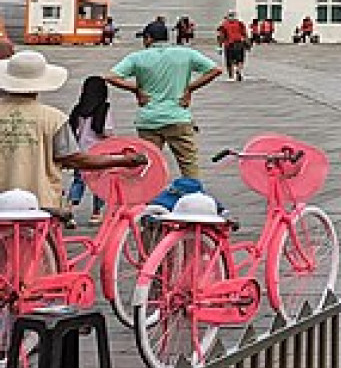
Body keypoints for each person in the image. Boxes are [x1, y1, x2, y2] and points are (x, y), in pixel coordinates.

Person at [1, 53, 143, 214]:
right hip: (40, 203)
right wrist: (121, 160)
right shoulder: (53, 118)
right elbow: (74, 159)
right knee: (42, 239)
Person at [105, 21, 221, 177]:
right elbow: (215, 70)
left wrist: (135, 89)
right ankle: (193, 196)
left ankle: (148, 196)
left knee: (148, 165)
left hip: (149, 119)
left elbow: (111, 76)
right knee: (189, 165)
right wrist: (189, 89)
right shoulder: (186, 54)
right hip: (178, 117)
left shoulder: (137, 58)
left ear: (148, 38)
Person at [64, 75, 116, 221]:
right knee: (99, 183)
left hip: (80, 152)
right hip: (99, 153)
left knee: (79, 180)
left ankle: (69, 208)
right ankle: (96, 213)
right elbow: (107, 131)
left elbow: (74, 130)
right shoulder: (104, 109)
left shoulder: (78, 109)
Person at [215, 12, 249, 81]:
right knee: (240, 60)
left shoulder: (224, 25)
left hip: (229, 44)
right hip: (240, 43)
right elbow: (245, 34)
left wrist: (220, 46)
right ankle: (239, 71)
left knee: (229, 61)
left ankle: (231, 76)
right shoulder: (240, 23)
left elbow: (221, 36)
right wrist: (247, 44)